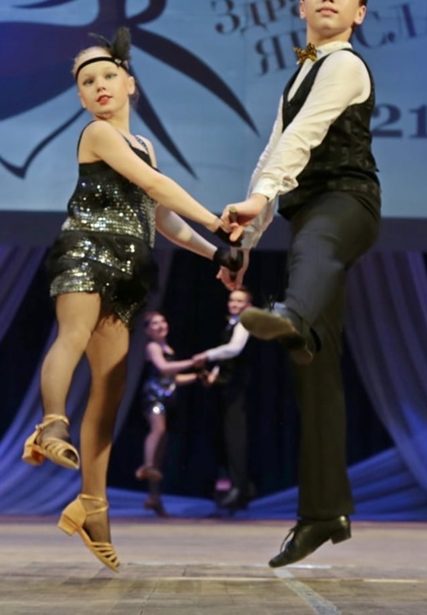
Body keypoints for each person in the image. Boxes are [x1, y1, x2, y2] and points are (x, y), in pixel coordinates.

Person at [20, 28, 242, 572]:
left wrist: (214, 252)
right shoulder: (98, 134)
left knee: (112, 387)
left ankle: (92, 506)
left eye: (108, 75)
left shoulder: (145, 145)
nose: (99, 86)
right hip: (86, 249)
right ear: (81, 98)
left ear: (130, 84)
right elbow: (156, 187)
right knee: (73, 334)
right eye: (87, 81)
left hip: (127, 268)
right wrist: (217, 222)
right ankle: (51, 424)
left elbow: (161, 217)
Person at [220, 0, 380, 567]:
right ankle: (323, 513)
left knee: (313, 253)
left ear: (359, 12)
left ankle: (291, 314)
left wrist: (261, 201)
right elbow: (274, 152)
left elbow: (302, 138)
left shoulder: (344, 65)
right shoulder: (302, 71)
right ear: (301, 5)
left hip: (346, 204)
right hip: (309, 209)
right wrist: (245, 239)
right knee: (315, 370)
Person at [189, 286, 256, 512]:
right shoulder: (231, 324)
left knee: (236, 437)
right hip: (226, 387)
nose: (234, 304)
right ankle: (235, 486)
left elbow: (234, 350)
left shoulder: (245, 323)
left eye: (239, 301)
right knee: (225, 436)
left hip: (238, 388)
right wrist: (214, 375)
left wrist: (206, 355)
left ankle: (240, 488)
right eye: (232, 300)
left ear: (248, 306)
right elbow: (227, 358)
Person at [137, 310, 205, 516]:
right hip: (154, 396)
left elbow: (174, 379)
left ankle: (154, 496)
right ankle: (147, 465)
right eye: (154, 323)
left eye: (162, 321)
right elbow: (164, 368)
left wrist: (197, 376)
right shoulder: (153, 347)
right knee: (158, 430)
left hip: (168, 398)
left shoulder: (168, 348)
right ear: (148, 331)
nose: (160, 326)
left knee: (163, 444)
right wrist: (192, 362)